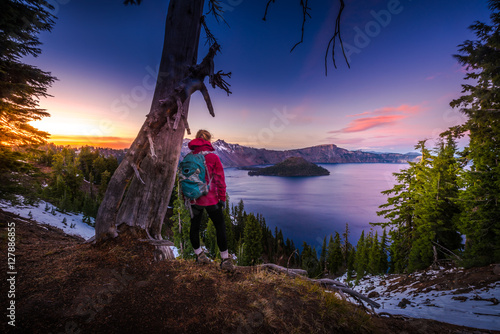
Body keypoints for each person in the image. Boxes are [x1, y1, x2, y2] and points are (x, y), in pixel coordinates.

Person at [186, 129, 234, 271]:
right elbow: (220, 181)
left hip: (194, 199)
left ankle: (199, 256)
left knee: (194, 227)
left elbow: (184, 179)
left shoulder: (189, 157)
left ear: (196, 139)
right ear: (208, 140)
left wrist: (187, 197)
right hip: (211, 200)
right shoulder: (213, 157)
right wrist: (222, 198)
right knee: (220, 227)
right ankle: (225, 260)